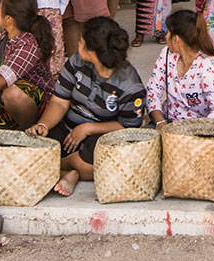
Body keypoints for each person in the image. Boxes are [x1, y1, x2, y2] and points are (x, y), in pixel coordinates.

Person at [27, 17, 145, 197]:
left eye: (81, 42)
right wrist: (43, 125)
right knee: (32, 146)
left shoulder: (130, 85)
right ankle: (68, 172)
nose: (77, 43)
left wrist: (88, 128)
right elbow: (59, 100)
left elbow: (129, 127)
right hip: (68, 128)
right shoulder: (76, 61)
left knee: (96, 164)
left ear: (93, 51)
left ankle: (58, 165)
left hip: (101, 138)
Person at [0, 0, 55, 130]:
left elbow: (2, 80)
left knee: (13, 93)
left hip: (32, 102)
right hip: (3, 98)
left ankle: (29, 128)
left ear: (9, 18)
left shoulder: (28, 44)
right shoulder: (6, 35)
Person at [146, 10, 214, 127]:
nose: (166, 37)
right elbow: (152, 93)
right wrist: (160, 122)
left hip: (200, 127)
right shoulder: (166, 54)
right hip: (169, 123)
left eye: (168, 33)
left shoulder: (207, 65)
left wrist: (195, 132)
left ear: (177, 39)